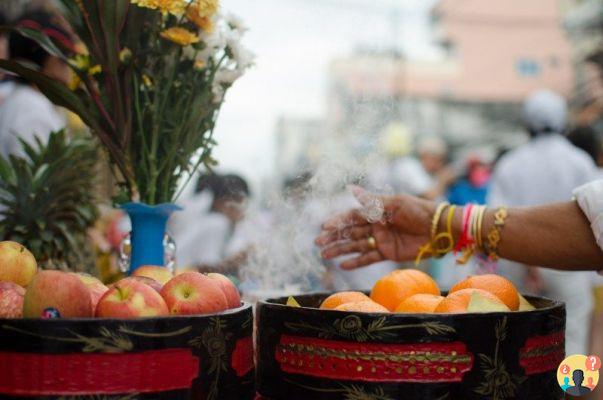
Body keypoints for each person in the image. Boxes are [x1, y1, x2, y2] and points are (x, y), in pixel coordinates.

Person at [487, 89, 598, 355]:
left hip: (517, 260)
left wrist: (528, 259)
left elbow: (495, 218)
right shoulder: (579, 161)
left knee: (520, 333)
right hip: (570, 261)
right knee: (573, 331)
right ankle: (573, 391)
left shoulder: (510, 164)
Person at [0, 10, 74, 158]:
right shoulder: (32, 110)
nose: (71, 65)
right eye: (63, 57)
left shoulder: (21, 98)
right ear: (41, 57)